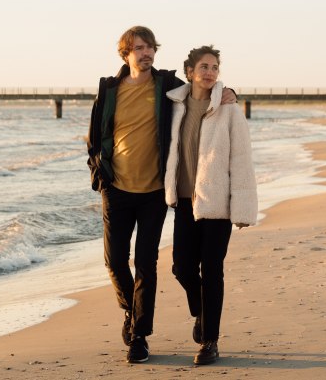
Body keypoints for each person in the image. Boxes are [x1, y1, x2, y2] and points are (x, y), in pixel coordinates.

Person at [86, 26, 234, 364]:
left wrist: (230, 91)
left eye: (150, 46)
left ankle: (140, 336)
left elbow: (203, 84)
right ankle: (130, 310)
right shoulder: (109, 90)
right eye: (138, 47)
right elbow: (96, 136)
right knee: (114, 260)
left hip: (154, 191)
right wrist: (98, 172)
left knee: (147, 265)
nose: (145, 53)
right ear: (126, 53)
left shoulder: (167, 85)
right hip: (117, 188)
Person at [164, 45, 258, 366]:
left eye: (215, 67)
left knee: (212, 270)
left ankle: (210, 342)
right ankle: (201, 312)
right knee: (182, 268)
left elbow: (241, 161)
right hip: (185, 202)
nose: (209, 72)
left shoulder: (229, 109)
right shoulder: (173, 105)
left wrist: (243, 209)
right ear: (189, 71)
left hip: (217, 206)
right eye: (203, 66)